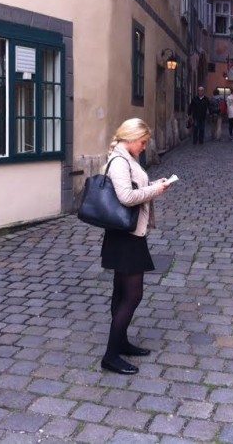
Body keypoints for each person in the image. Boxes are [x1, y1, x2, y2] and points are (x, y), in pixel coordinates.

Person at [100, 118, 171, 375]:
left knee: (121, 292)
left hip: (126, 233)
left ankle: (120, 343)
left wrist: (153, 185)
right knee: (133, 295)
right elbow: (127, 197)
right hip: (125, 236)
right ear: (130, 138)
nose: (144, 147)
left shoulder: (127, 158)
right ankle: (110, 355)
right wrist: (155, 191)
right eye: (142, 142)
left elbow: (133, 188)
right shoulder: (120, 161)